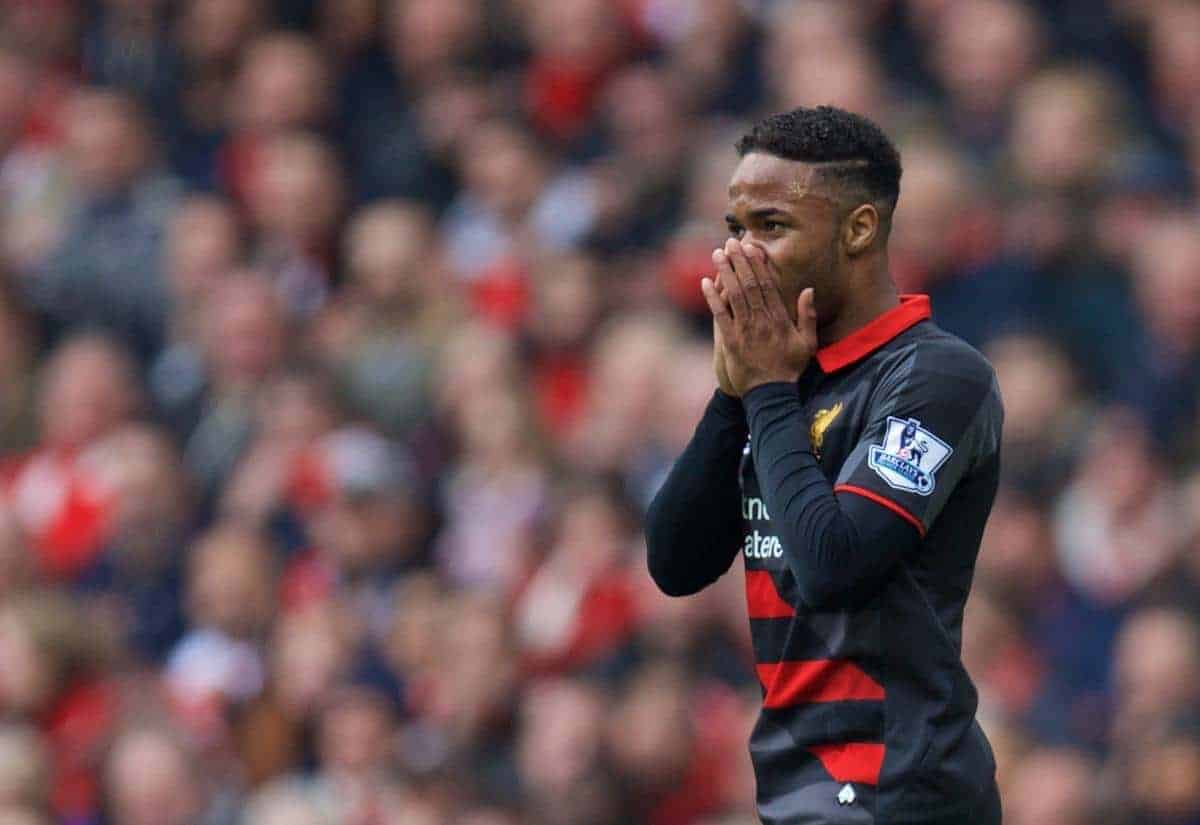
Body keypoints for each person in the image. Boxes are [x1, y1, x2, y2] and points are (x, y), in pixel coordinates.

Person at [645, 106, 1004, 824]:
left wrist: (769, 392)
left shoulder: (935, 376)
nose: (738, 256)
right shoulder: (779, 378)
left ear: (859, 230)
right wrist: (731, 397)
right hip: (796, 783)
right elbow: (676, 563)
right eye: (733, 230)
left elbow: (835, 565)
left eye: (770, 228)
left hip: (896, 790)